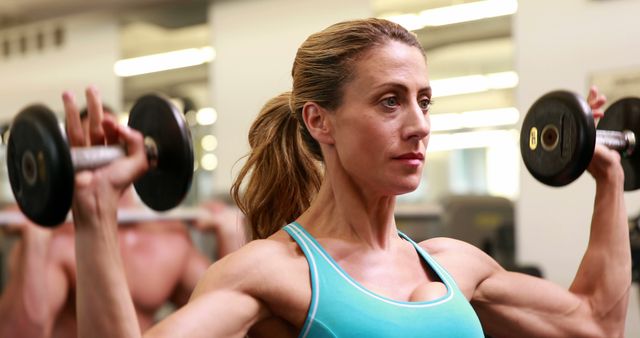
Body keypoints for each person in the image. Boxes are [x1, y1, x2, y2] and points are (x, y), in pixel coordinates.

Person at [65, 18, 630, 338]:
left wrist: (608, 180)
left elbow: (595, 323)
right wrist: (94, 215)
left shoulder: (455, 263)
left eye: (424, 101)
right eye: (390, 102)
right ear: (320, 121)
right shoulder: (273, 274)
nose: (418, 127)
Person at [0, 94, 247, 338]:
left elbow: (229, 311)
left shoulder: (167, 238)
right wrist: (36, 239)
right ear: (66, 157)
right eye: (87, 147)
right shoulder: (59, 243)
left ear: (133, 148)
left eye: (112, 141)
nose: (100, 153)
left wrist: (229, 234)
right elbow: (19, 333)